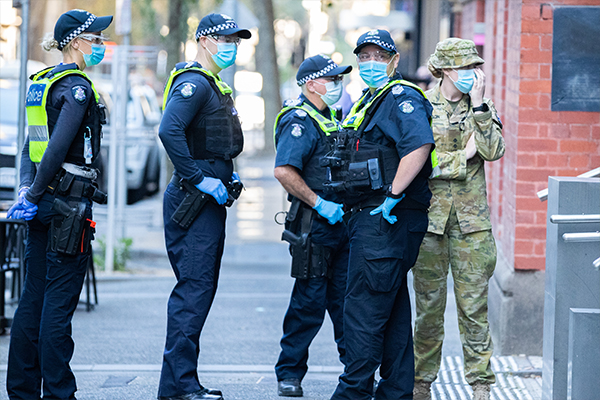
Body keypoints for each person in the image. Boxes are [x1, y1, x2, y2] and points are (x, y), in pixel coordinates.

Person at [6, 9, 112, 400]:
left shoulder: (42, 83)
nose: (100, 45)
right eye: (95, 39)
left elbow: (28, 147)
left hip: (42, 204)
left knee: (32, 299)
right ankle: (59, 394)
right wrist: (32, 194)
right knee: (58, 306)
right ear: (75, 42)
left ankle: (21, 391)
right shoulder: (77, 88)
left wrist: (26, 192)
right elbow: (52, 148)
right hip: (67, 207)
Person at [327, 29, 437, 400]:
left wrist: (392, 195)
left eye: (379, 56)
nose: (370, 63)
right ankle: (395, 391)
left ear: (394, 61)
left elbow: (419, 145)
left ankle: (353, 392)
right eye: (364, 57)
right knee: (390, 311)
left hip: (386, 219)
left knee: (363, 310)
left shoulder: (400, 97)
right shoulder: (371, 100)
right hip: (373, 219)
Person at [157, 13, 251, 400]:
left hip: (208, 200)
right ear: (202, 40)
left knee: (198, 291)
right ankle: (181, 387)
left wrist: (224, 178)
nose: (231, 47)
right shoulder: (194, 84)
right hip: (193, 201)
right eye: (224, 40)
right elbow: (168, 130)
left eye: (235, 41)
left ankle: (177, 384)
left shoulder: (213, 85)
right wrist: (199, 178)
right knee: (193, 293)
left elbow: (207, 141)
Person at [412, 38, 505, 400]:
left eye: (475, 67)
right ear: (446, 70)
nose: (474, 74)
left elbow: (494, 151)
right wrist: (462, 158)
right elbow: (418, 163)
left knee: (474, 310)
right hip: (431, 223)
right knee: (429, 311)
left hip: (472, 226)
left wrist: (480, 107)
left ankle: (481, 384)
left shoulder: (482, 107)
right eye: (467, 68)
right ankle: (421, 383)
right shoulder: (421, 106)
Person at [273, 54, 351, 397]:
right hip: (314, 226)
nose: (337, 84)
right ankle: (289, 372)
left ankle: (356, 371)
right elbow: (284, 171)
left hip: (341, 225)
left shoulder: (330, 117)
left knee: (347, 303)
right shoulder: (300, 121)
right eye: (331, 79)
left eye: (338, 79)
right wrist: (319, 203)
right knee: (308, 303)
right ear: (311, 84)